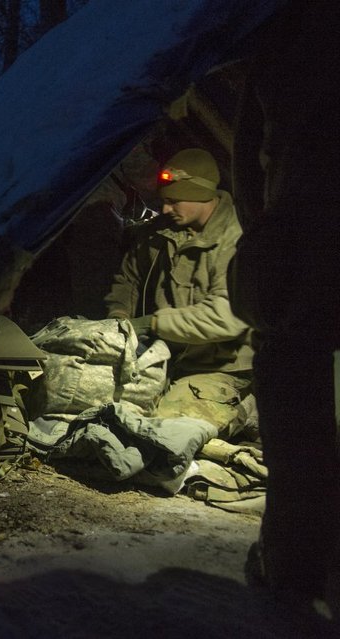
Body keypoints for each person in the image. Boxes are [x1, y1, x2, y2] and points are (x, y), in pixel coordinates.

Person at [229, 0, 340, 621]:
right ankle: (298, 566)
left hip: (301, 260)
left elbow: (249, 168)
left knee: (297, 427)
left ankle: (295, 566)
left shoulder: (285, 40)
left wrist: (268, 243)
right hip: (300, 261)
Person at [104, 148, 253, 438]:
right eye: (164, 201)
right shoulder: (163, 231)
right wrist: (118, 316)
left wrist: (153, 324)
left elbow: (226, 316)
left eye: (174, 201)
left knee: (167, 432)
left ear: (201, 196)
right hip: (167, 358)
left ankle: (247, 411)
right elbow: (129, 277)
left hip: (220, 367)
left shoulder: (237, 238)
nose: (165, 209)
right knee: (106, 409)